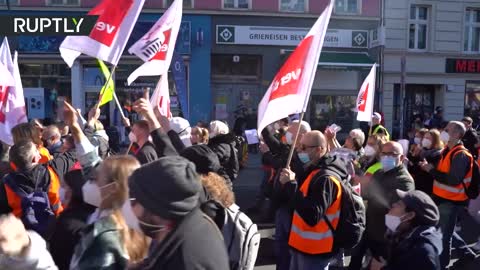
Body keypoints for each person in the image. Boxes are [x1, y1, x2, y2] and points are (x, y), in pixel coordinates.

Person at [126, 156, 230, 270]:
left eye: (134, 200)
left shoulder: (183, 260)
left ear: (156, 207)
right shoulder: (198, 223)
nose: (130, 207)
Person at [279, 130, 350, 270]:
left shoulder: (326, 178)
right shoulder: (313, 169)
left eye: (304, 147)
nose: (299, 150)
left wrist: (291, 185)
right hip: (301, 245)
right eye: (299, 146)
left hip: (316, 250)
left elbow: (313, 215)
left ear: (319, 149)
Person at [419, 121, 477, 269]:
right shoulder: (447, 150)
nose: (443, 131)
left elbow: (453, 180)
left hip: (451, 200)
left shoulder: (461, 154)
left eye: (447, 130)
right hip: (441, 197)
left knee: (444, 235)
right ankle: (466, 253)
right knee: (444, 229)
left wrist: (431, 170)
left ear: (457, 134)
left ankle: (442, 265)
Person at [362, 141, 415, 262]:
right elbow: (367, 194)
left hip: (386, 237)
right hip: (370, 230)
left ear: (401, 157)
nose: (386, 157)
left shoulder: (405, 181)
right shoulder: (379, 173)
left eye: (391, 154)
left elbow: (397, 209)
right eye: (384, 153)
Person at [370, 190, 442, 270]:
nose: (393, 204)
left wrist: (381, 268)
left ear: (409, 215)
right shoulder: (401, 237)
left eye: (399, 204)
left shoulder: (421, 252)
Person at [50, 170, 96, 270]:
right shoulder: (94, 214)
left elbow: (57, 257)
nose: (60, 189)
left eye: (63, 186)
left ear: (71, 191)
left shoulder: (66, 223)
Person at [408, 129, 443, 195]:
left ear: (435, 140)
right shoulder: (423, 151)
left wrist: (423, 166)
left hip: (428, 187)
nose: (425, 140)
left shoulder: (437, 154)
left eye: (428, 138)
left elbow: (431, 172)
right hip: (418, 184)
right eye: (424, 137)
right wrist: (413, 157)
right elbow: (415, 169)